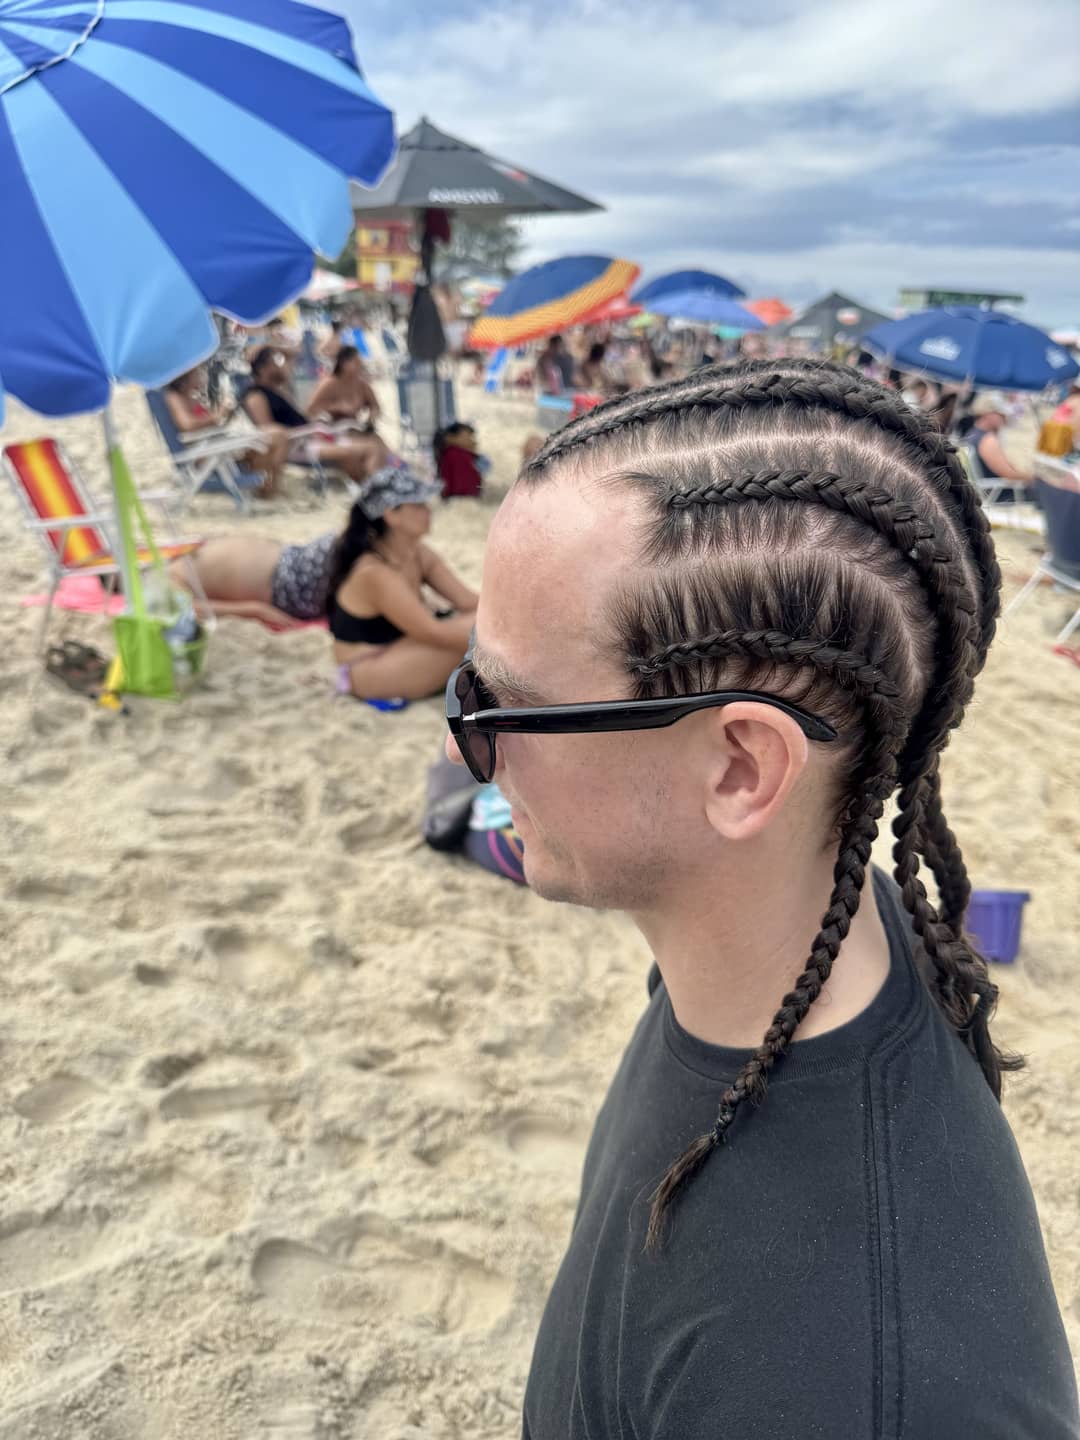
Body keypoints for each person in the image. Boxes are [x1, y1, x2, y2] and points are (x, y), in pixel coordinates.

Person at [444, 359, 1078, 1437]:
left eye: (499, 704)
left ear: (742, 769)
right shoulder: (793, 947)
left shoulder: (868, 1385)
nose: (472, 749)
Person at [329, 467, 477, 701]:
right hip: (367, 668)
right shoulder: (374, 572)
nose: (428, 511)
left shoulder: (417, 553)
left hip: (402, 647)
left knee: (482, 625)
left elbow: (468, 601)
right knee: (479, 639)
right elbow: (432, 632)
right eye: (418, 505)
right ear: (391, 515)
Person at [243, 347, 386, 485]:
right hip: (299, 445)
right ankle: (373, 490)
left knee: (372, 446)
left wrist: (269, 346)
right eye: (276, 362)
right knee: (363, 451)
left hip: (310, 436)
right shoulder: (256, 396)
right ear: (263, 369)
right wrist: (312, 429)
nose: (282, 366)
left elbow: (294, 353)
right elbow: (270, 435)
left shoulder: (275, 391)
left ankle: (372, 488)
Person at [163, 366, 290, 496]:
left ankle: (266, 489)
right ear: (185, 377)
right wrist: (217, 416)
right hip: (204, 450)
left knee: (278, 435)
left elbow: (212, 421)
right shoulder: (174, 397)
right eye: (197, 373)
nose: (201, 376)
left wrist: (225, 413)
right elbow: (187, 425)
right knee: (271, 440)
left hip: (217, 441)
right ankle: (264, 491)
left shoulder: (194, 397)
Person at [168, 531, 338, 628]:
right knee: (355, 539)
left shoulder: (171, 566)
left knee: (354, 538)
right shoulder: (163, 584)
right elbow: (193, 609)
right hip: (289, 584)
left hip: (292, 562)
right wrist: (257, 610)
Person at [964, 391, 1034, 495]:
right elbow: (1009, 474)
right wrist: (1034, 478)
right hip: (1002, 495)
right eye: (1000, 414)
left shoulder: (971, 433)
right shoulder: (987, 439)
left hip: (990, 492)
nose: (1005, 418)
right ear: (987, 413)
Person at [306, 346, 381, 427]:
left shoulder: (362, 384)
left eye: (360, 362)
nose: (360, 365)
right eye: (356, 362)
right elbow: (310, 410)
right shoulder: (329, 384)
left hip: (353, 428)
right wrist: (335, 408)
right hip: (329, 429)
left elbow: (375, 406)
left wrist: (371, 419)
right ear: (343, 364)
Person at [435, 422, 484, 499]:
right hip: (462, 500)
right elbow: (463, 484)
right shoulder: (456, 455)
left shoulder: (460, 455)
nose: (473, 441)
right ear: (450, 438)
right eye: (468, 436)